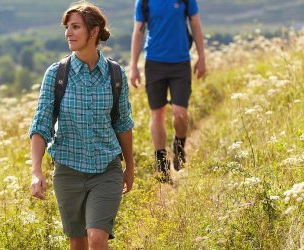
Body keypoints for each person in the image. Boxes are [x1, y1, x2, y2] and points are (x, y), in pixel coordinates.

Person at [29, 2, 135, 249]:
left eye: (76, 27)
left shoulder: (116, 75)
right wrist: (36, 170)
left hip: (106, 169)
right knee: (77, 243)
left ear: (94, 31)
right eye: (67, 27)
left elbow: (123, 123)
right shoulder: (56, 74)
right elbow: (41, 123)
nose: (68, 33)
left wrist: (129, 166)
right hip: (68, 171)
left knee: (97, 238)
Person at [129, 0, 206, 182]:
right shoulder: (144, 2)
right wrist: (133, 66)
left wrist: (202, 57)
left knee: (180, 113)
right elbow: (138, 33)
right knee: (157, 114)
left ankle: (179, 147)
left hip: (181, 63)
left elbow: (195, 25)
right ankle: (161, 163)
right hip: (154, 63)